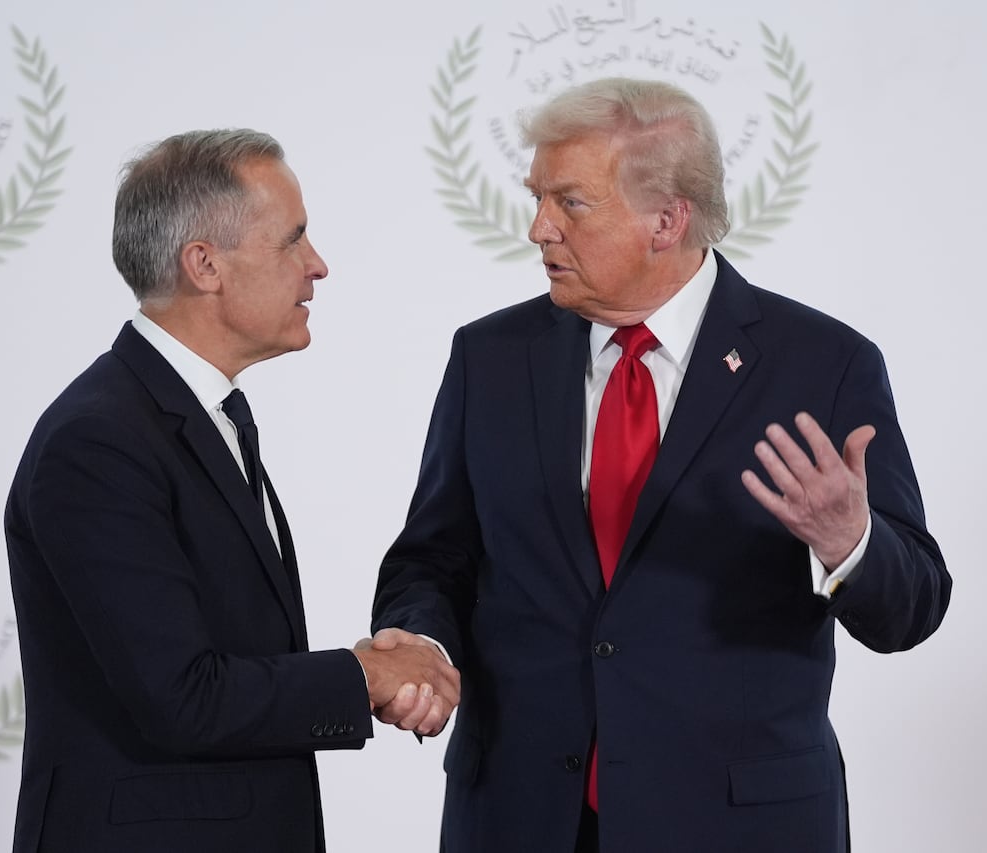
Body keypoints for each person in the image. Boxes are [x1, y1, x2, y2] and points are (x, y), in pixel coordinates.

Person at [370, 78, 951, 852]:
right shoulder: (489, 357)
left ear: (667, 219)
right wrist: (425, 647)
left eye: (570, 203)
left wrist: (850, 542)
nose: (538, 228)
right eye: (537, 197)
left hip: (740, 822)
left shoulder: (823, 363)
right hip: (521, 813)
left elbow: (912, 606)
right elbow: (434, 557)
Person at [4, 129, 458, 853]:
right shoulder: (98, 441)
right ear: (205, 265)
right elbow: (182, 696)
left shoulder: (192, 415)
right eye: (293, 241)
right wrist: (363, 675)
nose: (318, 266)